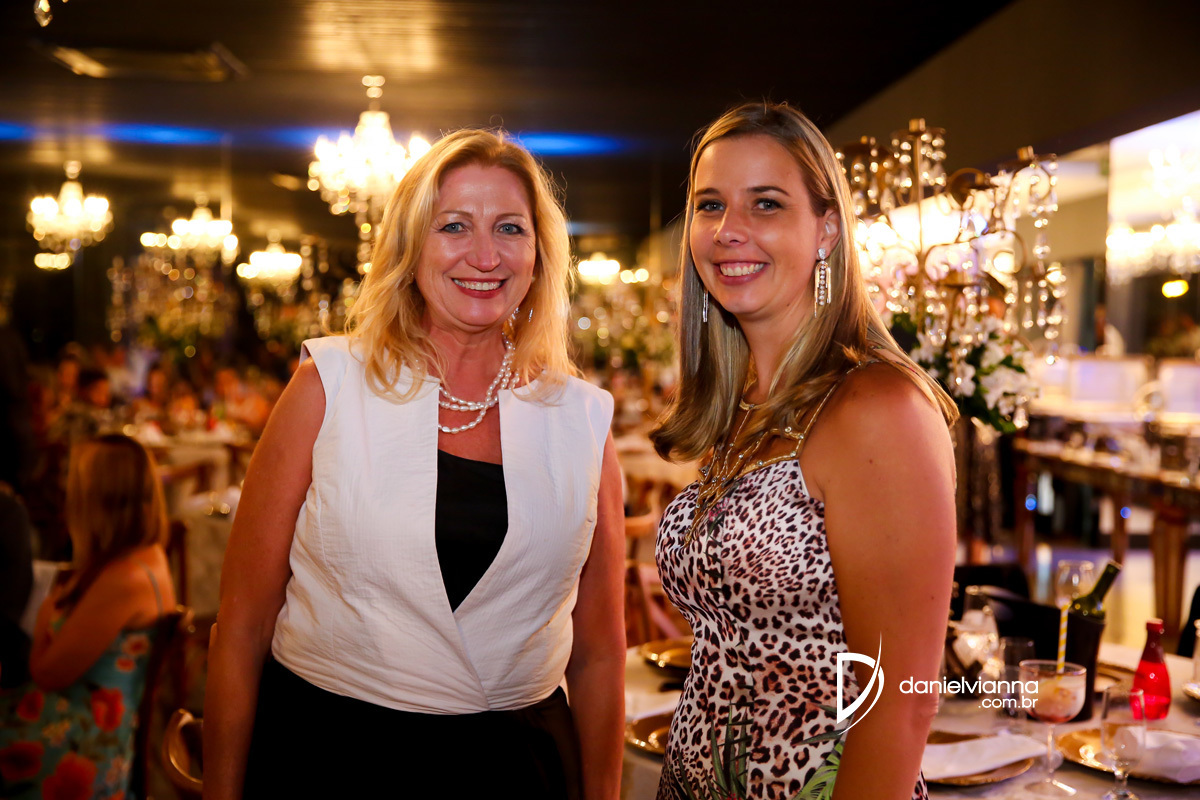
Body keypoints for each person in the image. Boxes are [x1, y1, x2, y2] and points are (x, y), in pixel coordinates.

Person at [203, 129, 625, 800]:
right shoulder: (328, 384)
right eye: (453, 226)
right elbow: (242, 624)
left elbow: (599, 654)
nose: (484, 255)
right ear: (409, 248)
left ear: (539, 255)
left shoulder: (582, 419)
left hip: (515, 770)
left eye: (509, 228)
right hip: (328, 756)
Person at [650, 102, 958, 800]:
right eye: (709, 205)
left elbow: (901, 701)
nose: (728, 230)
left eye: (765, 204)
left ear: (826, 230)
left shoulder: (874, 408)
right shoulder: (745, 408)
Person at [0, 434, 176, 797]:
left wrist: (48, 608)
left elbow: (47, 674)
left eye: (76, 485)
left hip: (79, 744)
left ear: (98, 500)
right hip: (81, 726)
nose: (67, 495)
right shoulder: (144, 554)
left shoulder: (125, 579)